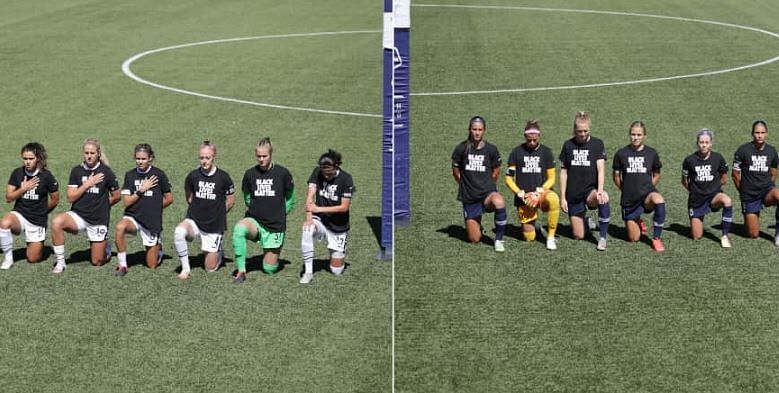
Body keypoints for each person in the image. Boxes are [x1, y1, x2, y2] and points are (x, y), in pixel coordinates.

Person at [50, 138, 121, 273]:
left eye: (92, 153)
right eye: (86, 152)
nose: (89, 156)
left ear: (98, 154)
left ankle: (106, 248)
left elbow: (117, 196)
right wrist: (87, 184)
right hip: (78, 216)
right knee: (56, 222)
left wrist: (103, 206)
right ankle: (60, 262)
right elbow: (71, 197)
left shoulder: (106, 172)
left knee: (97, 262)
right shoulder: (76, 171)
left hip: (98, 220)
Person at [232, 137, 295, 283]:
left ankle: (272, 256)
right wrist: (256, 210)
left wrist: (281, 213)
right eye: (258, 156)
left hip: (275, 226)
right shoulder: (250, 174)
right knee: (239, 230)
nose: (261, 159)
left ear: (271, 154)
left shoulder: (283, 173)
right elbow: (247, 197)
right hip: (255, 221)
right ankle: (242, 271)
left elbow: (291, 198)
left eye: (264, 156)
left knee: (269, 269)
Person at [173, 141, 235, 280]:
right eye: (201, 158)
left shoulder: (224, 177)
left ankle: (218, 252)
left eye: (207, 158)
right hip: (194, 220)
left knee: (210, 269)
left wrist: (216, 214)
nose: (204, 161)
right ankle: (186, 269)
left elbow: (230, 201)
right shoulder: (193, 176)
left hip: (214, 225)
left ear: (214, 157)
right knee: (179, 232)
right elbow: (189, 195)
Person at [114, 144, 174, 276]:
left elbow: (169, 198)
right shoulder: (130, 175)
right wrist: (141, 190)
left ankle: (158, 248)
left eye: (143, 159)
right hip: (133, 217)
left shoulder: (159, 174)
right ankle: (123, 264)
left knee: (151, 265)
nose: (140, 162)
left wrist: (154, 209)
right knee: (120, 227)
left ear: (150, 158)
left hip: (151, 221)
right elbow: (126, 201)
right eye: (138, 158)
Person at [451, 116, 507, 251]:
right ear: (469, 130)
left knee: (499, 201)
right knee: (474, 239)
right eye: (474, 129)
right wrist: (465, 185)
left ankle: (499, 240)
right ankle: (477, 225)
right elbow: (455, 170)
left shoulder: (491, 149)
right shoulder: (462, 148)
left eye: (480, 130)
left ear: (484, 131)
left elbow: (496, 170)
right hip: (470, 197)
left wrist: (489, 185)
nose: (477, 132)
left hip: (487, 194)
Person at [0, 143, 60, 269]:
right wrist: (23, 189)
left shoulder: (46, 176)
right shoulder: (17, 173)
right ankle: (8, 258)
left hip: (37, 220)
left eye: (30, 159)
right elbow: (8, 198)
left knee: (33, 259)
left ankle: (38, 245)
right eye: (25, 158)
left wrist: (42, 212)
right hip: (19, 215)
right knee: (4, 223)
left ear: (38, 158)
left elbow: (55, 200)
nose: (27, 162)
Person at [300, 149, 355, 284]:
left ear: (336, 167)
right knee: (307, 230)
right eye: (324, 174)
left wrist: (318, 208)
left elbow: (344, 207)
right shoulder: (317, 172)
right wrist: (309, 217)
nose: (326, 177)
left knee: (336, 271)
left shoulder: (346, 179)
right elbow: (310, 196)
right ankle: (308, 273)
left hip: (338, 226)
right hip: (320, 220)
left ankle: (336, 251)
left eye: (329, 174)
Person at [504, 120, 560, 250]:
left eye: (534, 140)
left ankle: (550, 237)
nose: (532, 143)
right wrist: (520, 193)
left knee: (554, 199)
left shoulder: (546, 152)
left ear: (539, 136)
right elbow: (508, 179)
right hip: (525, 197)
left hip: (541, 194)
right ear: (525, 137)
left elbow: (552, 179)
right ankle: (535, 226)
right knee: (529, 237)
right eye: (529, 140)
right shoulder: (516, 152)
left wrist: (537, 193)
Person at [559, 111, 611, 250]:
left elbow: (601, 169)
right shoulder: (568, 145)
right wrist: (562, 198)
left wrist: (599, 190)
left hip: (590, 191)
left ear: (590, 128)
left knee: (603, 197)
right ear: (574, 130)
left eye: (585, 131)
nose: (582, 134)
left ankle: (602, 238)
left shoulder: (597, 144)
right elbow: (564, 173)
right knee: (578, 236)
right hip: (573, 194)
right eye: (579, 131)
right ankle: (586, 222)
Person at [612, 121, 666, 251]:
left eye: (638, 135)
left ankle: (656, 238)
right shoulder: (621, 154)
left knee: (659, 200)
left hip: (647, 196)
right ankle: (638, 221)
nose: (635, 137)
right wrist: (625, 190)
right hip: (629, 200)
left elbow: (657, 174)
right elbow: (616, 177)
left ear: (644, 136)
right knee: (634, 239)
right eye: (633, 134)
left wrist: (648, 187)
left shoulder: (651, 153)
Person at [682, 128, 733, 247]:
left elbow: (724, 178)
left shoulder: (718, 158)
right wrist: (695, 191)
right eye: (701, 142)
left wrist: (714, 188)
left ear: (711, 143)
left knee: (727, 200)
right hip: (697, 200)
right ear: (697, 143)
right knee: (697, 236)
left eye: (706, 142)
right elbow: (684, 181)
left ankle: (725, 235)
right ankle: (698, 218)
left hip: (713, 196)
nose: (704, 145)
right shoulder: (689, 160)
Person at [732, 120, 779, 244]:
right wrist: (743, 193)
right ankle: (751, 215)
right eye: (757, 132)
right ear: (752, 134)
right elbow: (735, 175)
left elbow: (774, 172)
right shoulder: (743, 150)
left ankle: (778, 231)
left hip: (766, 191)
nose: (760, 135)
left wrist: (769, 186)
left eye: (762, 132)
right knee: (753, 234)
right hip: (750, 195)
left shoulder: (772, 151)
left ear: (766, 134)